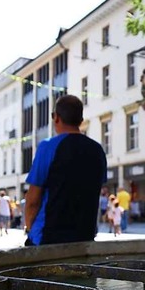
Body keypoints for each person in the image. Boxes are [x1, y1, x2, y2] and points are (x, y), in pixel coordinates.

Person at [24, 94, 107, 245]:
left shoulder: (47, 147)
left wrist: (30, 230)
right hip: (85, 238)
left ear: (56, 117)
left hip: (48, 237)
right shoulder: (97, 150)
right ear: (81, 121)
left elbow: (32, 200)